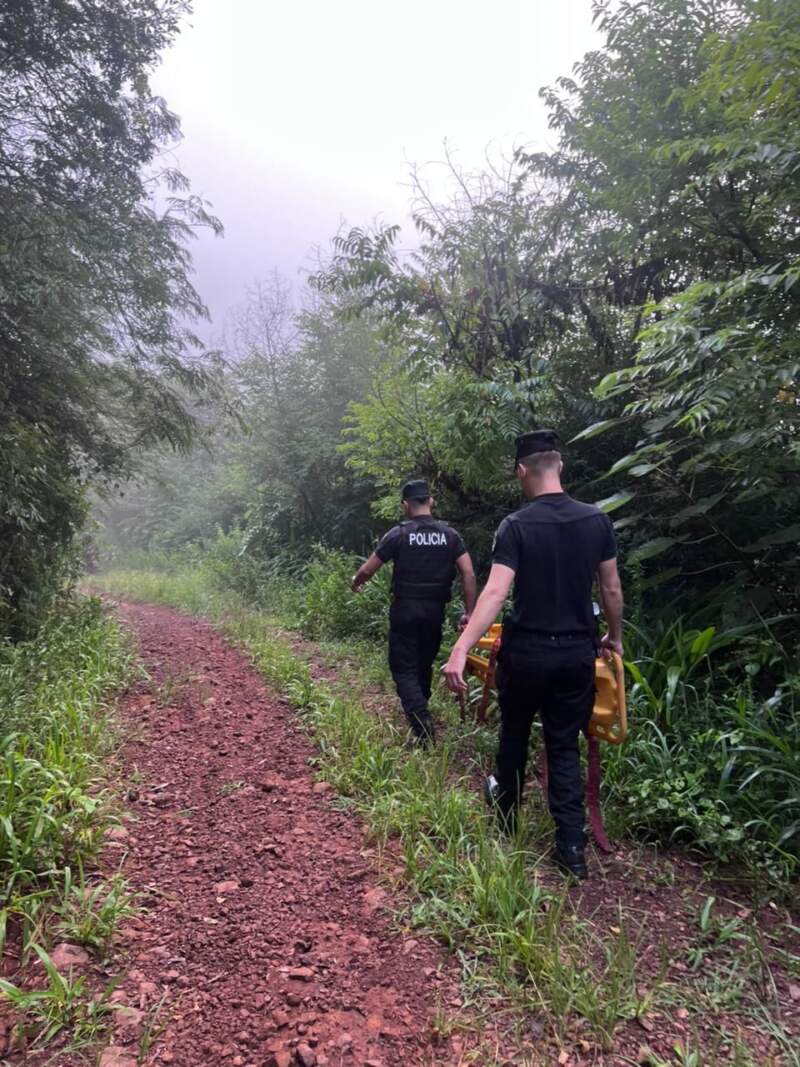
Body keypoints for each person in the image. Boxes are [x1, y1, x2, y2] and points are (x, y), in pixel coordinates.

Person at [442, 430, 624, 878]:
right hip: (576, 654)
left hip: (526, 654)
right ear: (559, 465)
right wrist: (614, 637)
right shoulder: (597, 521)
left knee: (515, 734)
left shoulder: (516, 526)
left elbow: (496, 592)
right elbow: (611, 588)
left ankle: (507, 818)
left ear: (522, 470)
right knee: (563, 744)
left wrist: (461, 648)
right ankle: (572, 850)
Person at [352, 479, 477, 745]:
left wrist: (356, 583)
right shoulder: (450, 535)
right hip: (435, 611)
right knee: (423, 663)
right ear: (430, 501)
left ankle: (421, 723)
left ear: (405, 505)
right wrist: (470, 612)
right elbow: (468, 573)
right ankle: (421, 709)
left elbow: (367, 569)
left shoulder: (398, 534)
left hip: (405, 610)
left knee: (403, 667)